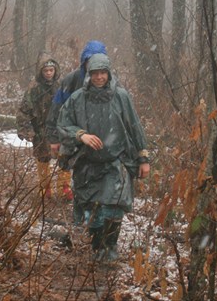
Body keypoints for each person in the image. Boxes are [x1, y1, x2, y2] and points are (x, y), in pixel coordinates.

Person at [56, 53, 150, 262]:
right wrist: (81, 135)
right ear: (88, 75)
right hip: (87, 163)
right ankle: (98, 246)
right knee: (91, 208)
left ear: (109, 73)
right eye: (95, 73)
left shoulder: (121, 96)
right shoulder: (78, 98)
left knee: (114, 205)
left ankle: (110, 245)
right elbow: (63, 124)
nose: (99, 77)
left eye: (103, 73)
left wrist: (143, 157)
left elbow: (134, 126)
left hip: (116, 161)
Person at [45, 40, 108, 210]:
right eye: (89, 61)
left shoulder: (109, 82)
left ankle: (91, 205)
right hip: (71, 132)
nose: (93, 67)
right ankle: (66, 193)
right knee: (66, 163)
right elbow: (56, 108)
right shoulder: (72, 80)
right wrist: (53, 137)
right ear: (84, 61)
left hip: (97, 137)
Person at [16, 52, 61, 198]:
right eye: (46, 71)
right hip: (40, 129)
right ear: (41, 72)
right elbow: (23, 110)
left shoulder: (61, 87)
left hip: (60, 129)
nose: (49, 73)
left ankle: (64, 187)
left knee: (65, 156)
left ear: (55, 71)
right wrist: (25, 130)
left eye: (51, 70)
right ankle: (45, 187)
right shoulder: (34, 90)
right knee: (43, 158)